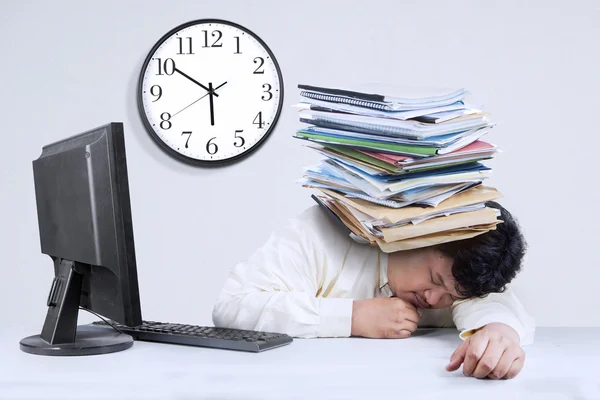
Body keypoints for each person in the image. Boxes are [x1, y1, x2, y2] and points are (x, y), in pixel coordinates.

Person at [212, 201, 534, 380]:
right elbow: (233, 306)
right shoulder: (319, 231)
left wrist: (499, 332)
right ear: (419, 233)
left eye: (452, 296)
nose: (435, 300)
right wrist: (352, 316)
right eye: (435, 279)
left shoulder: (463, 284)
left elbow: (493, 305)